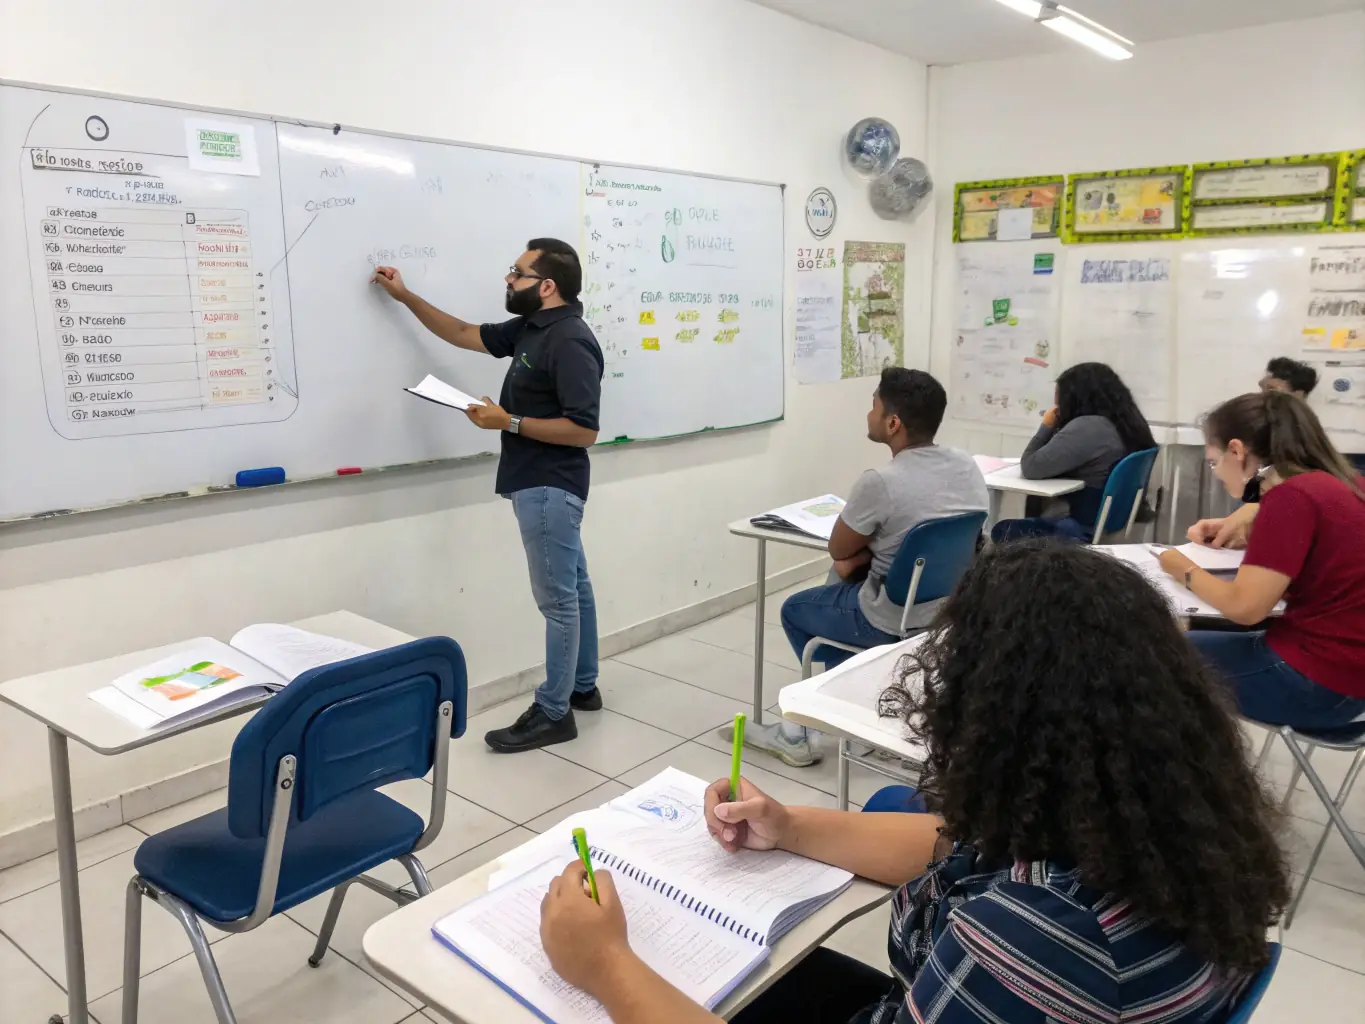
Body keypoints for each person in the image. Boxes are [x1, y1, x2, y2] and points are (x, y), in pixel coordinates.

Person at [539, 541, 1289, 1024]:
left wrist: (604, 965)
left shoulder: (1033, 940)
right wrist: (789, 825)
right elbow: (954, 842)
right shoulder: (1158, 817)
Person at [373, 240, 604, 753]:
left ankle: (553, 711)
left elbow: (584, 430)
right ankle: (582, 687)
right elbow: (460, 333)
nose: (507, 279)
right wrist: (406, 297)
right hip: (538, 481)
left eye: (517, 273)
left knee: (558, 602)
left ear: (547, 286)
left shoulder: (568, 340)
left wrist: (510, 421)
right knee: (575, 588)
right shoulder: (531, 329)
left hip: (550, 485)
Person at [736, 369, 987, 768]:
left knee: (796, 610)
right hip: (949, 608)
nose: (868, 414)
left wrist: (859, 556)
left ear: (893, 423)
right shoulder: (965, 465)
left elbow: (838, 548)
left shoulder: (881, 482)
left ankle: (832, 721)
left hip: (891, 615)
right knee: (840, 576)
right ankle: (870, 705)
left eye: (873, 406)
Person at [1160, 391, 1365, 730]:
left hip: (1316, 683)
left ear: (1237, 451)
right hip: (1349, 680)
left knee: (1147, 655)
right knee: (1171, 643)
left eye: (1214, 461)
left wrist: (1179, 565)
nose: (1216, 472)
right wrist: (1255, 529)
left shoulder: (1290, 499)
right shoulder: (1347, 483)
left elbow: (1245, 608)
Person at [991, 362, 1156, 544]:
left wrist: (1046, 425)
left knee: (1003, 530)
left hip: (1077, 527)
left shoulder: (1089, 427)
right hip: (1108, 522)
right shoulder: (1127, 424)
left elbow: (1031, 467)